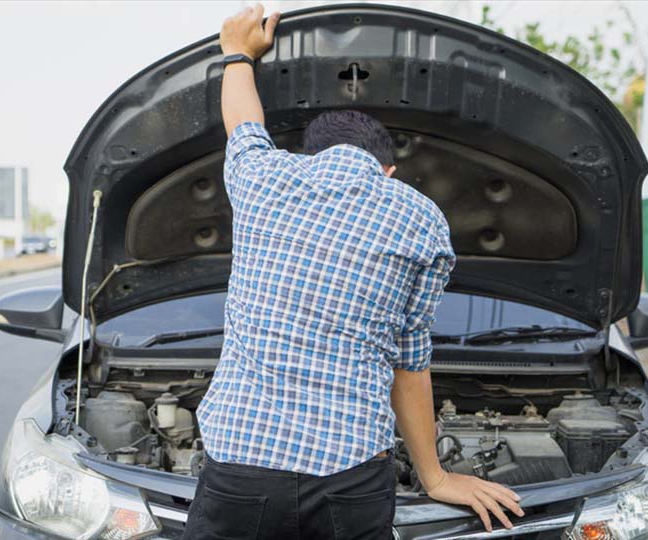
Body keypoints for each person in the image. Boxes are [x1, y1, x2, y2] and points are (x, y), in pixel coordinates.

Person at [182, 4, 524, 539]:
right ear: (389, 169)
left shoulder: (265, 177)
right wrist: (433, 478)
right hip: (353, 478)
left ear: (310, 154)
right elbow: (409, 362)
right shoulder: (420, 217)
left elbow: (244, 124)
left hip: (241, 473)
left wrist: (238, 54)